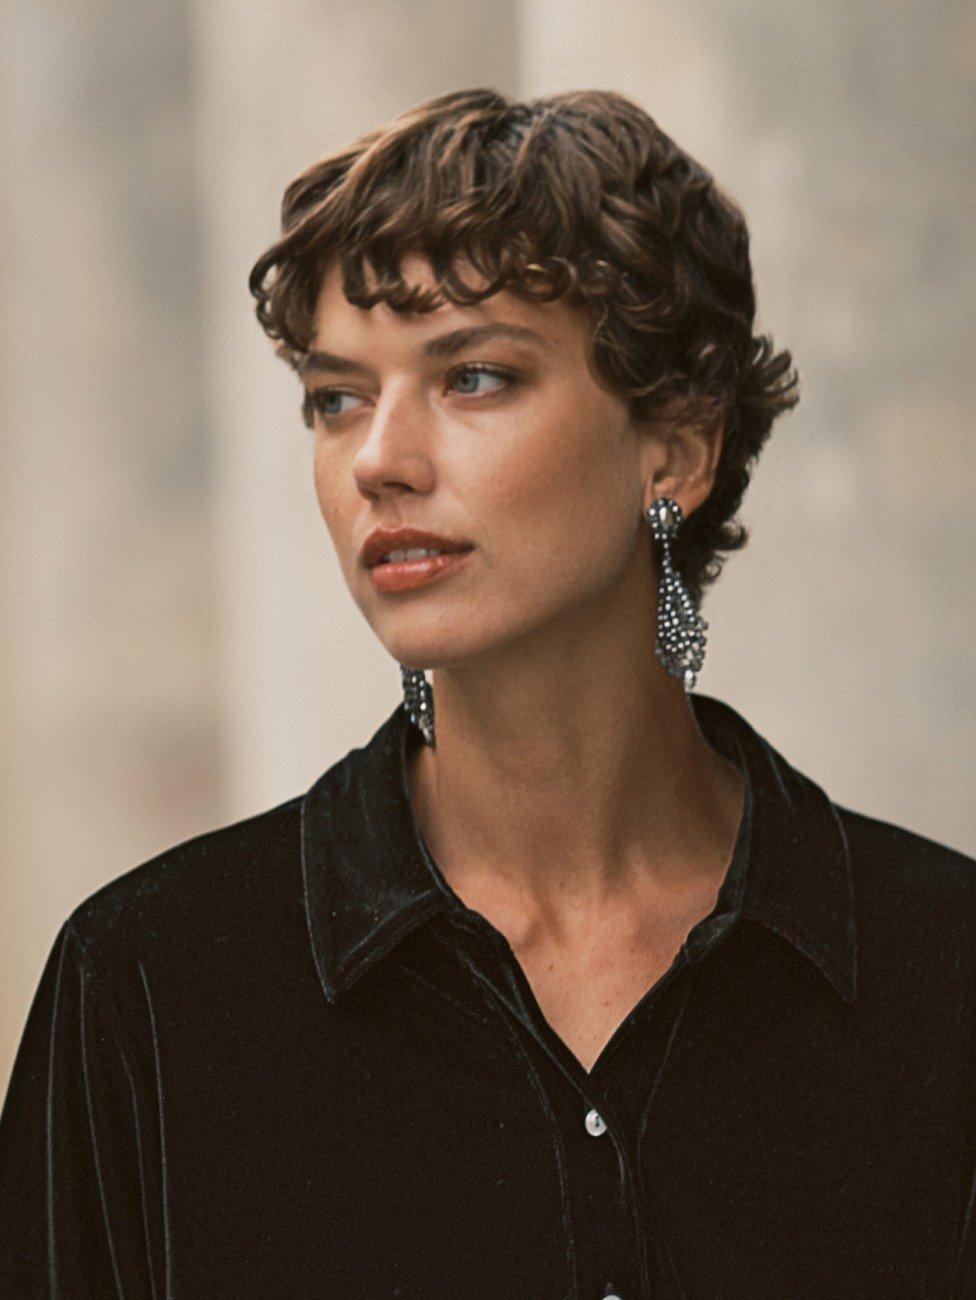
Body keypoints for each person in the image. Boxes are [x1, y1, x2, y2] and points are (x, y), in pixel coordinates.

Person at [1, 86, 974, 1299]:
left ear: (673, 446)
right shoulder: (147, 990)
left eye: (472, 378)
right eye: (335, 397)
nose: (379, 460)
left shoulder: (939, 975)